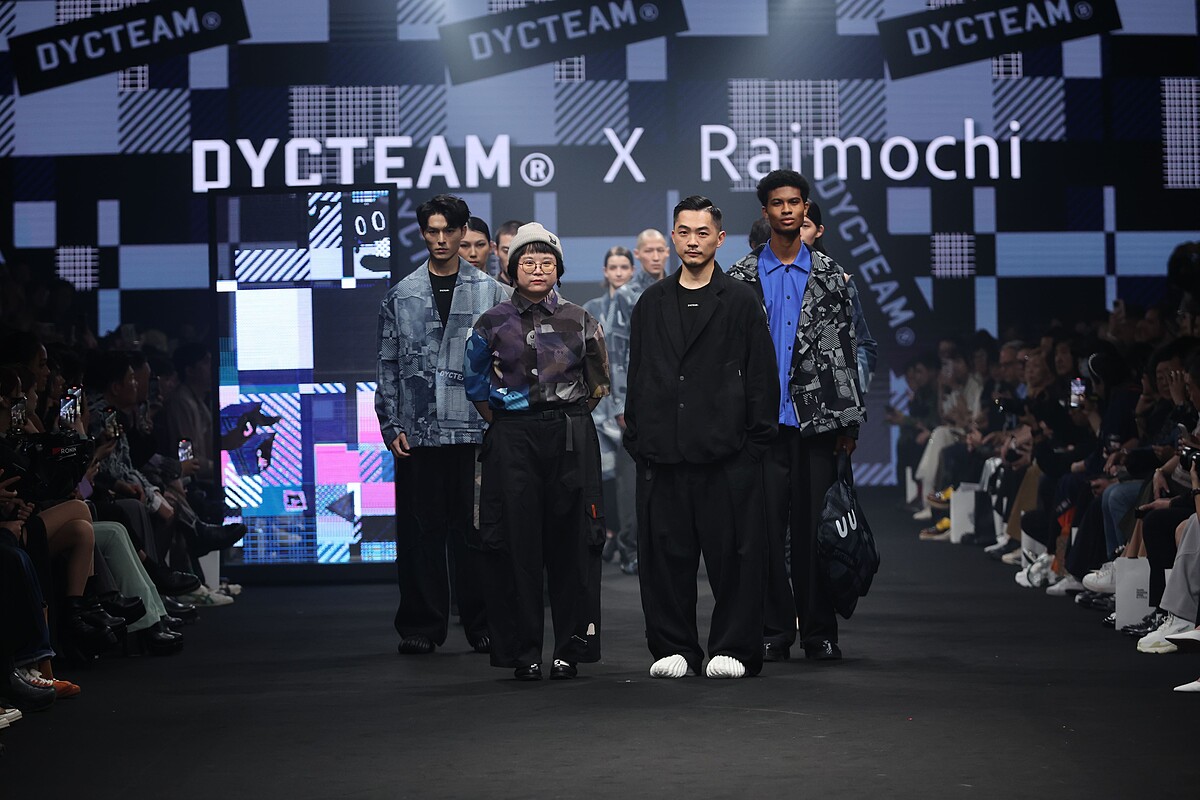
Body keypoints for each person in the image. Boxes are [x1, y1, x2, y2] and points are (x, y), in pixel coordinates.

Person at [624, 195, 779, 679]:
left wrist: (753, 446)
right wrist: (640, 443)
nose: (693, 241)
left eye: (702, 232)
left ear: (719, 238)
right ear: (673, 237)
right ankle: (674, 646)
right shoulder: (651, 302)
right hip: (664, 456)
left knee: (736, 558)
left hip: (727, 455)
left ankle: (734, 646)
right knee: (664, 560)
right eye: (685, 232)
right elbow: (638, 376)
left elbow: (762, 378)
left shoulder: (740, 300)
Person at [729, 169, 866, 663]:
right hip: (760, 425)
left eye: (795, 202)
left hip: (817, 423)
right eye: (778, 203)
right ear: (765, 211)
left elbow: (844, 351)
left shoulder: (831, 276)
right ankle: (774, 630)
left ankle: (819, 631)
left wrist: (849, 423)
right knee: (765, 532)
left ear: (805, 208)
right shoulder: (740, 279)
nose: (787, 210)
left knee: (814, 533)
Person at [464, 222, 610, 681]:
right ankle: (522, 653)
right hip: (512, 437)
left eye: (547, 261)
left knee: (574, 543)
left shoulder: (581, 319)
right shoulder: (490, 323)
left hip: (569, 434)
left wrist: (561, 416)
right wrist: (510, 421)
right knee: (514, 543)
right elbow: (475, 385)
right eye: (527, 261)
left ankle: (570, 650)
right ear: (511, 269)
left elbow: (597, 385)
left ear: (558, 270)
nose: (538, 268)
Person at [375, 194, 508, 656]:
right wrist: (390, 423)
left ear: (461, 232)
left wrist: (504, 423)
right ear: (422, 234)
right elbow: (387, 363)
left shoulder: (492, 294)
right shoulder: (401, 294)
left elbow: (508, 364)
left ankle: (482, 623)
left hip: (476, 428)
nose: (441, 239)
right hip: (419, 431)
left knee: (477, 532)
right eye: (432, 231)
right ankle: (422, 625)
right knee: (420, 532)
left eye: (449, 231)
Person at [605, 228, 671, 575]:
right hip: (639, 400)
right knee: (633, 478)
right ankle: (631, 547)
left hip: (674, 401)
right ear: (639, 254)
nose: (656, 256)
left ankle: (667, 549)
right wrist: (620, 404)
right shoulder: (626, 295)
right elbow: (615, 352)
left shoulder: (678, 286)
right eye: (650, 250)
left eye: (661, 249)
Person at [582, 247, 637, 572]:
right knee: (603, 476)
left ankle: (625, 538)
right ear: (605, 271)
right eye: (613, 267)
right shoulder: (592, 309)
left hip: (629, 402)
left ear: (631, 270)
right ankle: (609, 534)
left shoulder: (639, 304)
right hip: (599, 403)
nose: (618, 272)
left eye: (624, 266)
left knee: (627, 478)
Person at [802, 202, 878, 393]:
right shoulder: (763, 279)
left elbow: (863, 344)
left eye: (804, 226)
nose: (797, 233)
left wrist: (846, 390)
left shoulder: (838, 281)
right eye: (792, 226)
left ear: (819, 231)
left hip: (831, 397)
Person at [492, 220, 523, 286]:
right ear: (496, 250)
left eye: (519, 251)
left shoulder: (542, 290)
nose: (512, 258)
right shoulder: (486, 290)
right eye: (506, 251)